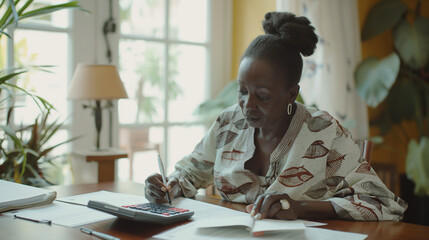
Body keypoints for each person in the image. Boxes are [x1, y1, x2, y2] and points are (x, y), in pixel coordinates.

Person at [145, 12, 407, 221]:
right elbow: (190, 173)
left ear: (292, 93)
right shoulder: (229, 122)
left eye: (263, 96)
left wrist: (302, 207)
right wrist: (166, 187)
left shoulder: (324, 131)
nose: (248, 105)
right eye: (243, 91)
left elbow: (383, 204)